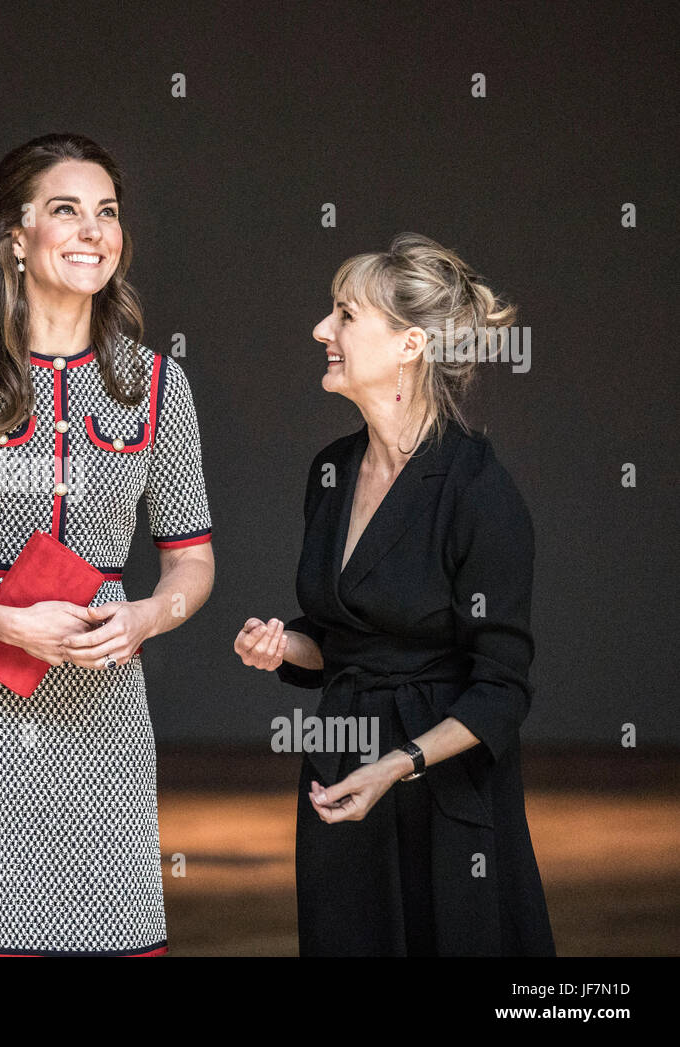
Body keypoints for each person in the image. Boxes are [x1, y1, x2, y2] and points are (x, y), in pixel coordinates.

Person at [0, 134, 215, 956]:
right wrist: (9, 625)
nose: (93, 230)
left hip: (106, 719)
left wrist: (147, 619)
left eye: (108, 213)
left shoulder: (159, 383)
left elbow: (192, 561)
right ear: (15, 237)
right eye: (66, 210)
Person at [236, 233, 555, 956]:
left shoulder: (478, 490)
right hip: (341, 773)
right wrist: (285, 644)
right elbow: (345, 642)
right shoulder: (331, 471)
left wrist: (398, 763)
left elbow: (500, 690)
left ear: (410, 345)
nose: (323, 330)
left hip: (440, 794)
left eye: (345, 314)